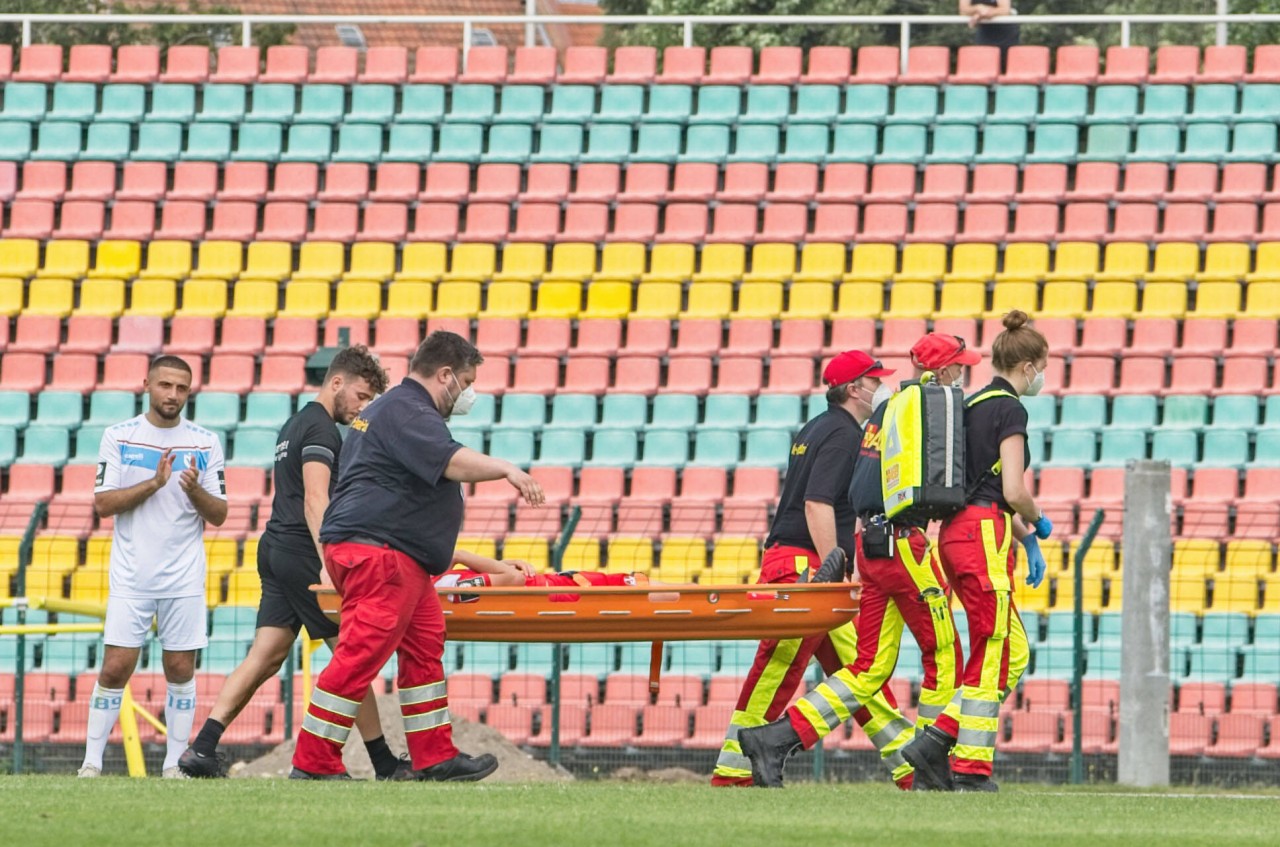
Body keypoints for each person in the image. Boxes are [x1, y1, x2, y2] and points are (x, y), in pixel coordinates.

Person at [289, 330, 545, 781]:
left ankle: (434, 755)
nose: (467, 393)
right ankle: (313, 761)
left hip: (393, 555)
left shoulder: (388, 411)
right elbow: (451, 462)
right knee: (360, 654)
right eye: (465, 381)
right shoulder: (410, 410)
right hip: (382, 554)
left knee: (425, 644)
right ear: (445, 375)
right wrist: (507, 469)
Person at [738, 333, 977, 788]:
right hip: (904, 543)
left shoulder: (883, 412)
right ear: (943, 373)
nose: (963, 375)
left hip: (870, 548)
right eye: (960, 368)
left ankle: (776, 738)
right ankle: (932, 764)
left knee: (867, 668)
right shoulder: (925, 408)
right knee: (943, 653)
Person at [179, 346, 391, 778]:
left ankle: (201, 749)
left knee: (266, 655)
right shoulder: (322, 431)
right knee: (353, 658)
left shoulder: (294, 424)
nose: (363, 407)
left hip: (274, 546)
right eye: (362, 395)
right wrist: (328, 560)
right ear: (337, 383)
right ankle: (385, 763)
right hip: (300, 551)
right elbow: (316, 500)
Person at [712, 351, 917, 790]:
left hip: (797, 560)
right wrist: (836, 568)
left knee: (861, 673)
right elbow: (817, 503)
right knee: (779, 666)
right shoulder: (844, 435)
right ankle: (733, 770)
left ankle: (911, 767)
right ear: (851, 390)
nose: (879, 387)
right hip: (806, 566)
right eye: (873, 380)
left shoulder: (817, 429)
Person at [899, 310, 1052, 792]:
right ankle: (970, 767)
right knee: (993, 649)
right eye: (1041, 367)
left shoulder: (969, 403)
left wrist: (1022, 537)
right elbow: (1012, 487)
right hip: (985, 532)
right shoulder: (1010, 409)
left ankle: (934, 742)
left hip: (956, 533)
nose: (1041, 377)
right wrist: (1038, 519)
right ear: (1027, 365)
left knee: (1013, 648)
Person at [80, 355, 228, 778]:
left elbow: (218, 514)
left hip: (183, 575)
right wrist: (153, 484)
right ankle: (91, 763)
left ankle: (173, 766)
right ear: (147, 384)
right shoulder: (120, 436)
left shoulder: (204, 442)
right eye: (166, 386)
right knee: (115, 666)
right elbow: (103, 503)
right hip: (132, 574)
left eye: (181, 388)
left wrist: (194, 490)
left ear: (190, 391)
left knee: (180, 668)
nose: (173, 395)